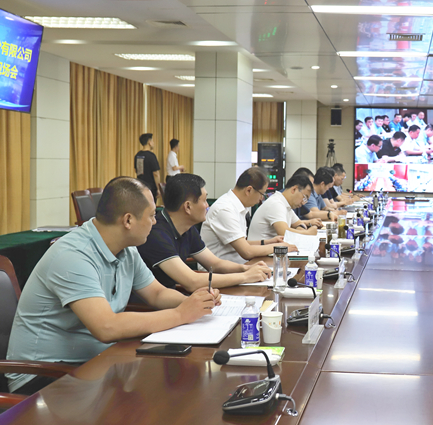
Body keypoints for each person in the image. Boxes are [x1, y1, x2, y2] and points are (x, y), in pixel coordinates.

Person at [5, 177, 220, 395]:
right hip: (43, 375)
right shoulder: (73, 256)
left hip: (95, 362)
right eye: (151, 215)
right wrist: (181, 314)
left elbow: (156, 293)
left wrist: (195, 303)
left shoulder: (127, 249)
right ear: (128, 220)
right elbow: (106, 327)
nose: (155, 222)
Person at [138, 173, 276, 291]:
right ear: (188, 207)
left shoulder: (188, 228)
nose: (207, 206)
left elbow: (215, 264)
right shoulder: (157, 235)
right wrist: (245, 276)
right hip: (154, 307)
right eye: (204, 200)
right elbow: (192, 281)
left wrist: (246, 269)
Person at [200, 167, 298, 263]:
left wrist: (267, 242)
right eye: (262, 194)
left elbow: (241, 243)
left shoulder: (238, 207)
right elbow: (247, 252)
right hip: (221, 270)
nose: (261, 198)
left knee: (283, 265)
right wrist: (279, 247)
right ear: (249, 190)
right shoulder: (225, 209)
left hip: (237, 265)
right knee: (283, 265)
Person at [248, 174, 321, 240]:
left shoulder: (286, 205)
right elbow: (284, 233)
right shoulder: (276, 204)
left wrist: (300, 229)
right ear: (294, 189)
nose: (303, 203)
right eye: (304, 197)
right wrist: (308, 233)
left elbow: (299, 223)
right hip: (261, 249)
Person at [135, 133, 162, 202]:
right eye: (152, 141)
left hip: (140, 186)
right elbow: (156, 174)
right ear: (149, 142)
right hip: (151, 188)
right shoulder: (151, 156)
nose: (153, 143)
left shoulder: (137, 155)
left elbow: (136, 170)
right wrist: (158, 188)